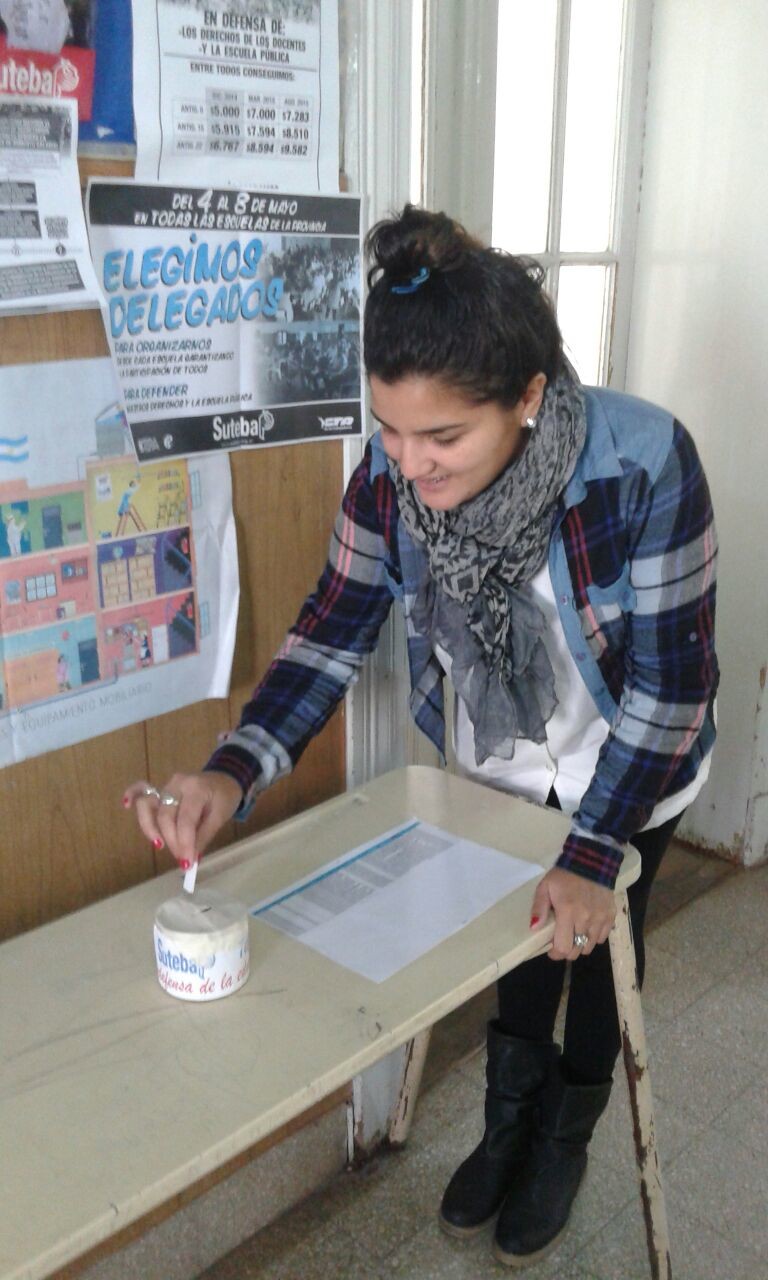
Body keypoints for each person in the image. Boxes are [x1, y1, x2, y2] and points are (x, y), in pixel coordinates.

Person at [124, 206, 718, 1268]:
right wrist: (232, 769)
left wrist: (594, 852)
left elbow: (672, 687)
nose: (412, 464)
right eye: (391, 431)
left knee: (598, 942)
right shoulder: (388, 477)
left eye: (443, 438)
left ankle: (566, 1138)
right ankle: (507, 1126)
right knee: (517, 944)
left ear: (527, 397)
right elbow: (333, 627)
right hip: (499, 759)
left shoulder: (644, 463)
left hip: (634, 759)